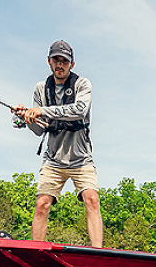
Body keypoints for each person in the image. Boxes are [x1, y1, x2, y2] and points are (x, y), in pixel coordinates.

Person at [13, 40, 103, 247]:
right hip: (53, 159)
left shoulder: (83, 84)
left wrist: (41, 111)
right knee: (42, 204)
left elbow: (79, 110)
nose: (60, 65)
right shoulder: (41, 89)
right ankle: (37, 252)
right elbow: (39, 129)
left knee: (92, 200)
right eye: (56, 60)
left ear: (72, 64)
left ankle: (98, 252)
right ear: (49, 61)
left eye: (64, 61)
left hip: (81, 158)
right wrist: (25, 117)